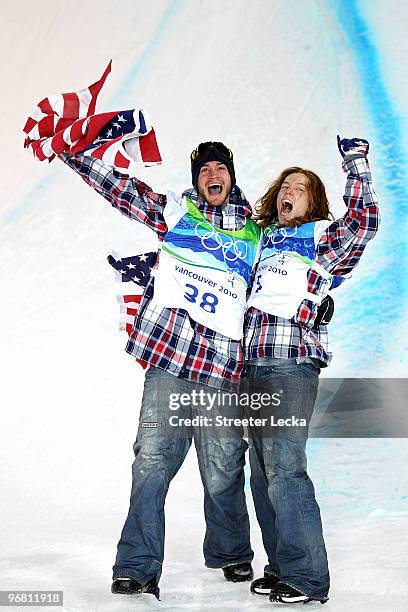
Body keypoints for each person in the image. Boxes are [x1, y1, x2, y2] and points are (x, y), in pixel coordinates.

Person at [58, 141, 261, 598]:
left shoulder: (257, 231)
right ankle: (136, 566)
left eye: (220, 167)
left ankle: (230, 553)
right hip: (170, 359)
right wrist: (72, 153)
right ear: (196, 180)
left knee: (224, 465)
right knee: (151, 462)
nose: (213, 174)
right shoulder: (177, 213)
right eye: (204, 168)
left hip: (222, 369)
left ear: (231, 176)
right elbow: (122, 190)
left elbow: (288, 275)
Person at [243, 136, 380, 604]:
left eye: (299, 188)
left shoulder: (320, 237)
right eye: (285, 185)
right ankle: (282, 565)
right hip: (249, 365)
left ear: (313, 201)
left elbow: (364, 223)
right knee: (260, 471)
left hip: (290, 363)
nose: (289, 190)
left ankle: (307, 578)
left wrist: (355, 163)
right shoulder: (258, 241)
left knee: (285, 467)